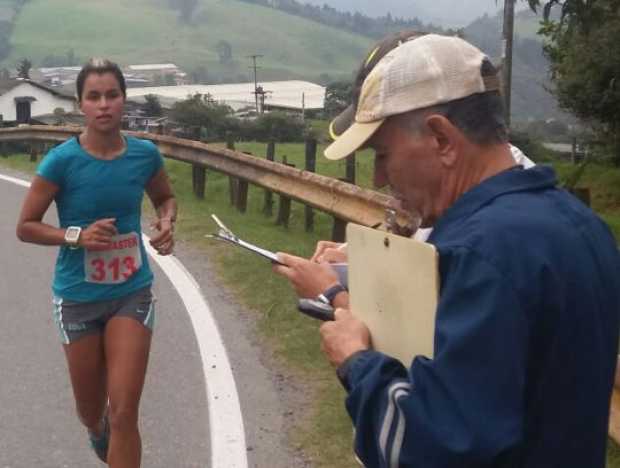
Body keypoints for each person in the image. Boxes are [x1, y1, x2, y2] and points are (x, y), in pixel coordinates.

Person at [276, 34, 620, 467]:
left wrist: (356, 361)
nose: (380, 178)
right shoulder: (580, 224)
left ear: (441, 138)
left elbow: (434, 446)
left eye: (383, 154)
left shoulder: (479, 254)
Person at [16, 58, 176, 467]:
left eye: (112, 95)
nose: (104, 104)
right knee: (93, 414)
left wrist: (166, 221)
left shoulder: (144, 155)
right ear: (81, 104)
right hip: (77, 300)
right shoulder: (61, 162)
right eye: (94, 96)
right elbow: (26, 227)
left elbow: (164, 198)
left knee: (124, 414)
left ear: (123, 100)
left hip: (130, 293)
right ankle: (95, 429)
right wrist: (77, 236)